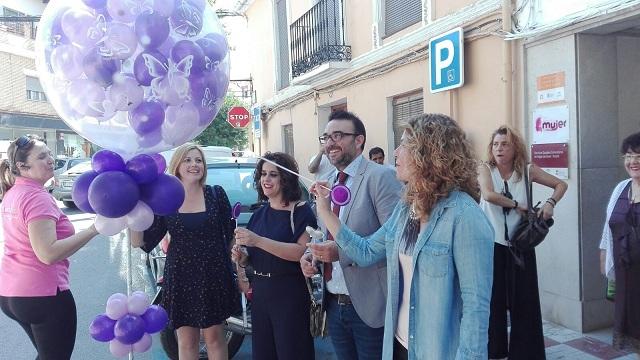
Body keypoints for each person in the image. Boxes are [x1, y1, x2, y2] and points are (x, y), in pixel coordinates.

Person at [306, 113, 494, 359]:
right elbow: (365, 252)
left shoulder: (465, 216)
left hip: (435, 350)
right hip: (396, 345)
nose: (395, 152)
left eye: (404, 144)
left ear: (429, 153)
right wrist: (325, 210)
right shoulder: (407, 209)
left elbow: (476, 308)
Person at [300, 110, 402, 360]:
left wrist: (340, 251)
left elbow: (395, 239)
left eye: (338, 135)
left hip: (370, 305)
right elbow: (324, 234)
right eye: (326, 137)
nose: (330, 143)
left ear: (359, 140)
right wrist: (310, 255)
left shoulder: (381, 177)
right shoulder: (328, 181)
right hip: (334, 302)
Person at [130, 143, 238, 360]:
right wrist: (133, 210)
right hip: (181, 277)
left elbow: (231, 236)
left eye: (198, 160)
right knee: (186, 342)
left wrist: (235, 269)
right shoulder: (167, 200)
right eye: (188, 160)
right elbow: (140, 242)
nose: (194, 164)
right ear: (177, 166)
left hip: (213, 276)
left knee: (215, 338)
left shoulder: (216, 194)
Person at [0, 134, 99, 359]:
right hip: (42, 294)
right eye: (42, 156)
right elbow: (48, 253)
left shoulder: (13, 193)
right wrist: (93, 229)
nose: (51, 160)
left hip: (11, 294)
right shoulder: (36, 197)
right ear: (22, 166)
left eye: (50, 154)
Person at [478, 125, 567, 359]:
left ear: (515, 147)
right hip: (492, 245)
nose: (499, 148)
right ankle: (495, 350)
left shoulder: (528, 171)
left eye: (505, 144)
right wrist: (518, 205)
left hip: (521, 245)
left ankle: (526, 353)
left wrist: (550, 203)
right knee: (493, 301)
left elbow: (561, 185)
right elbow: (488, 195)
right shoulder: (485, 169)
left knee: (524, 302)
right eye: (496, 144)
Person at [232, 152, 317, 360]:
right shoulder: (259, 213)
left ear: (285, 180)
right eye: (263, 174)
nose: (266, 180)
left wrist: (257, 240)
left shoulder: (301, 211)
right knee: (263, 354)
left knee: (292, 352)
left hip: (289, 293)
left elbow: (301, 252)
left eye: (273, 175)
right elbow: (252, 256)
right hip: (261, 293)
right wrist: (242, 257)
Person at [600, 132, 640, 354]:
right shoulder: (621, 188)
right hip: (626, 275)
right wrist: (604, 254)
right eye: (628, 156)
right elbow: (609, 226)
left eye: (639, 157)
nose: (632, 162)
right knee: (633, 329)